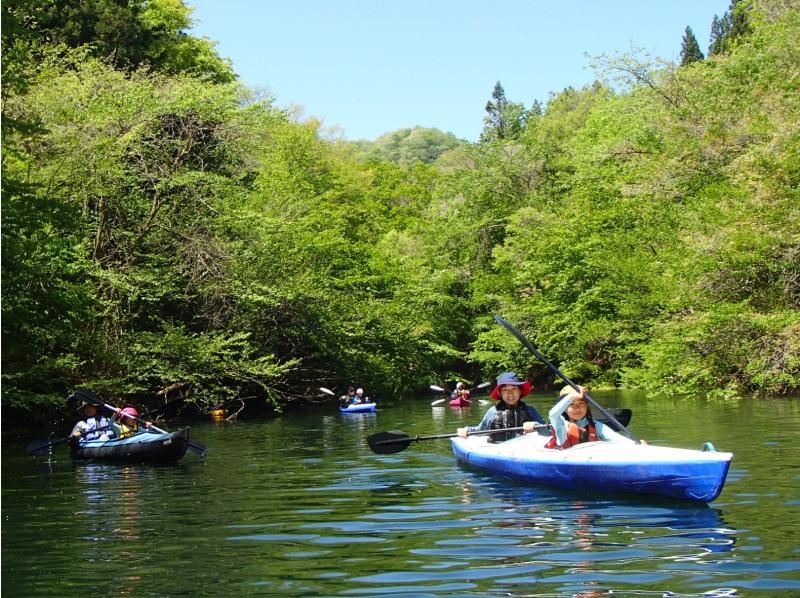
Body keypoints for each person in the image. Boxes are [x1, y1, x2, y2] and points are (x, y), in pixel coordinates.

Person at [457, 372, 544, 442]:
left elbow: (548, 431)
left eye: (514, 389)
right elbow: (480, 430)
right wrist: (466, 430)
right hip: (499, 450)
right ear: (500, 393)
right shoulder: (493, 412)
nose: (510, 394)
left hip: (523, 451)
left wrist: (536, 425)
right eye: (505, 390)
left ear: (520, 391)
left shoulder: (530, 411)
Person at [546, 385, 638, 449]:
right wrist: (570, 397)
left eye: (581, 403)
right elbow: (553, 414)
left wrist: (635, 445)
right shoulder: (560, 425)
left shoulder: (597, 426)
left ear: (587, 406)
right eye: (571, 405)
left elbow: (618, 439)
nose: (577, 408)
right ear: (564, 409)